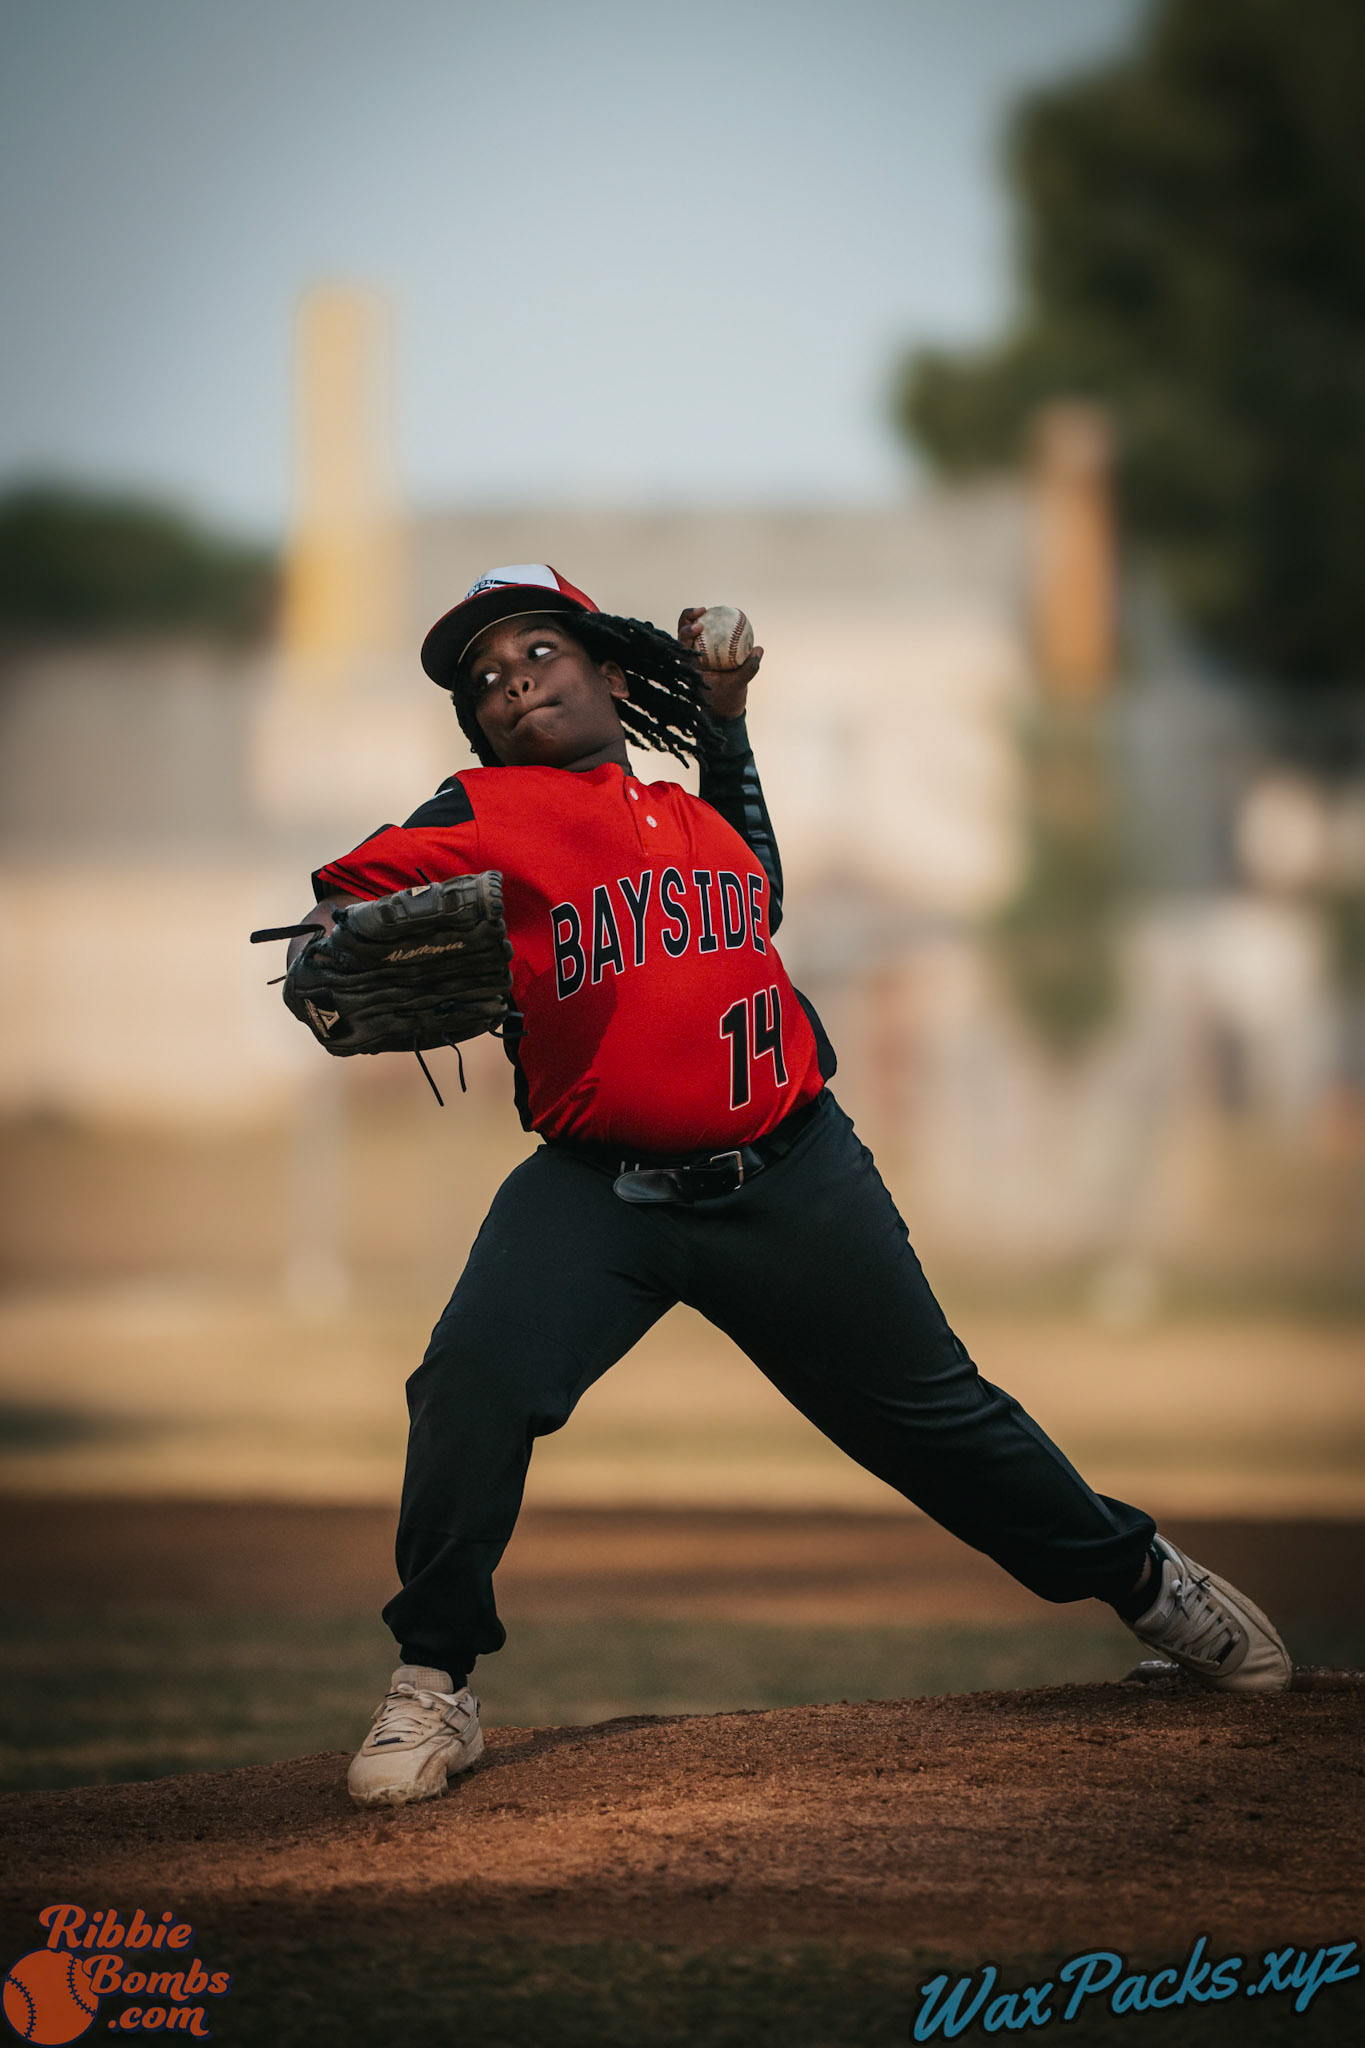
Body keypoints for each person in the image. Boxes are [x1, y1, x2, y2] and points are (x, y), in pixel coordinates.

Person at [287, 565, 1292, 1810]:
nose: (511, 684)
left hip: (796, 1170)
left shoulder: (696, 811)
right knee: (470, 1379)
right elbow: (346, 891)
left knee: (942, 1422)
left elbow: (754, 875)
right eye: (483, 682)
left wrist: (724, 710)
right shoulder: (488, 811)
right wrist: (340, 927)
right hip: (598, 1193)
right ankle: (435, 1677)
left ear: (609, 670)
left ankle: (1145, 1580)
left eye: (537, 652)